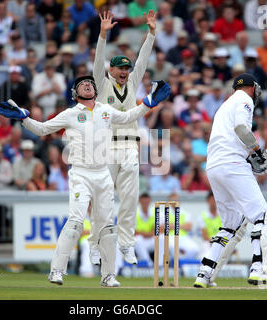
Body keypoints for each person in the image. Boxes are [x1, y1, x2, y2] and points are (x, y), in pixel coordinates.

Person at [0, 75, 170, 287]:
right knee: (76, 222)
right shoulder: (70, 114)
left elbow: (128, 117)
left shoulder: (105, 110)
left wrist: (148, 103)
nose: (87, 85)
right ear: (75, 93)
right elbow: (42, 129)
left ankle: (108, 276)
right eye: (82, 84)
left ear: (96, 91)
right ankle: (57, 271)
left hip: (103, 174)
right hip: (81, 174)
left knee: (107, 226)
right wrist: (24, 118)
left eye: (90, 84)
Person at [193, 73, 267, 288]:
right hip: (231, 164)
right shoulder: (244, 100)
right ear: (252, 87)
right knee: (263, 216)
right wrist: (257, 151)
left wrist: (252, 157)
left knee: (230, 225)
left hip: (214, 167)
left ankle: (204, 273)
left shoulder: (225, 105)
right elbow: (242, 129)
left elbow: (233, 137)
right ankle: (259, 270)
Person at [89, 10, 157, 267]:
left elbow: (143, 60)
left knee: (130, 198)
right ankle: (95, 244)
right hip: (106, 148)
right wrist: (103, 36)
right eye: (121, 68)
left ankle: (127, 244)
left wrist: (151, 33)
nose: (126, 72)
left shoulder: (133, 82)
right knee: (103, 201)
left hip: (129, 146)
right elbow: (97, 63)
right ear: (112, 69)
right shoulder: (101, 84)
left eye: (127, 69)